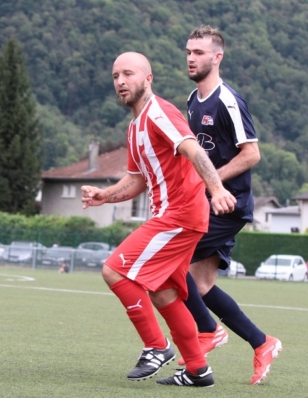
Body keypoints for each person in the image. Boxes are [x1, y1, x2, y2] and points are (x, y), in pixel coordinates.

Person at [81, 52, 236, 388]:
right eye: (115, 76)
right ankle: (198, 370)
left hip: (179, 215)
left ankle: (157, 346)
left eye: (128, 74)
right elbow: (137, 179)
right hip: (177, 217)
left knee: (114, 270)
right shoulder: (135, 126)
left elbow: (194, 149)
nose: (121, 81)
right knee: (164, 292)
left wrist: (218, 188)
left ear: (148, 78)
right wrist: (105, 196)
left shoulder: (159, 112)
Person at [178, 25, 282, 385]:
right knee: (201, 286)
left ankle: (207, 333)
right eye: (189, 51)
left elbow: (251, 154)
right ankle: (261, 342)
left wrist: (212, 182)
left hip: (227, 206)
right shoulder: (193, 101)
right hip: (207, 204)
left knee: (170, 264)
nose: (191, 58)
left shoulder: (228, 101)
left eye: (199, 52)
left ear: (217, 57)